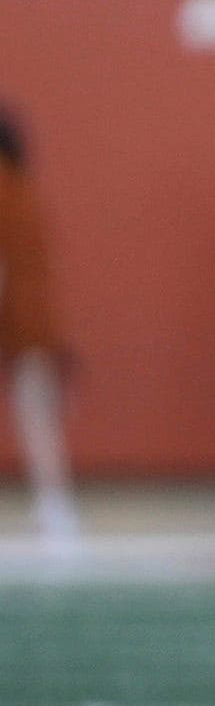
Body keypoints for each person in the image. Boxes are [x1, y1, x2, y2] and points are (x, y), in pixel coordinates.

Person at [0, 101, 79, 545]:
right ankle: (55, 510)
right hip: (36, 320)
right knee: (39, 417)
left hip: (21, 320)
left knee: (35, 416)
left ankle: (56, 513)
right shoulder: (21, 185)